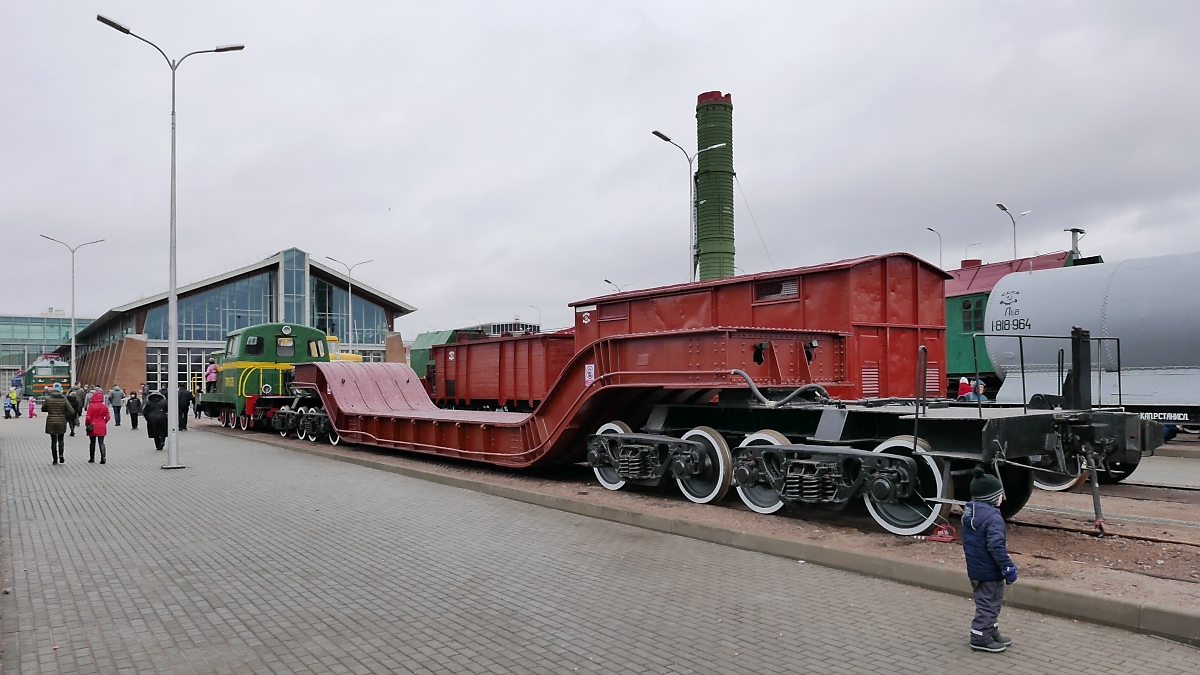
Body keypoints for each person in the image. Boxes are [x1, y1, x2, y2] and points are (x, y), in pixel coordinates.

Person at [962, 468, 1018, 653]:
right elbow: (996, 547)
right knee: (988, 604)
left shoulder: (971, 513)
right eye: (1000, 494)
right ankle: (979, 637)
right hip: (989, 571)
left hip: (977, 569)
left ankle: (991, 630)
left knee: (990, 602)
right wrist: (1008, 568)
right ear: (992, 497)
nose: (1002, 496)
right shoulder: (993, 518)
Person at [41, 383, 76, 464]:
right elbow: (72, 411)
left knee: (53, 441)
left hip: (51, 421)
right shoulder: (64, 399)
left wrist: (50, 410)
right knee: (61, 439)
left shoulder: (48, 399)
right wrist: (64, 414)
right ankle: (61, 455)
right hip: (62, 421)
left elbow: (43, 409)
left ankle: (55, 459)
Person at [85, 390, 110, 464]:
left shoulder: (91, 406)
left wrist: (87, 424)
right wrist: (104, 422)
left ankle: (92, 458)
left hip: (92, 426)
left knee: (92, 442)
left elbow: (88, 417)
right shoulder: (104, 406)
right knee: (101, 442)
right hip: (102, 426)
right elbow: (108, 417)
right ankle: (103, 458)